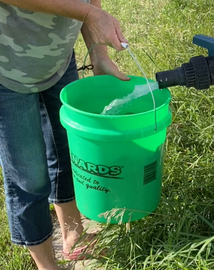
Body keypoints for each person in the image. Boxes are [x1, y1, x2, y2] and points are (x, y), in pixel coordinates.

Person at [0, 0, 129, 269]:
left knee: (67, 149)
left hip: (57, 60)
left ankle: (73, 235)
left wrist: (99, 54)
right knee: (29, 177)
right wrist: (88, 13)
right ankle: (47, 265)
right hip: (6, 71)